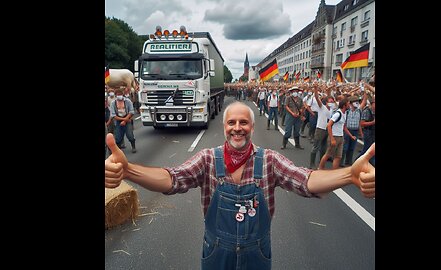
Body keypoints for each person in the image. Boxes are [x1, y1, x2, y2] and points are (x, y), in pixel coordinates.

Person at [105, 101, 375, 270]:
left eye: (243, 122)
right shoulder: (208, 159)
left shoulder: (269, 160)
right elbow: (172, 179)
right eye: (231, 122)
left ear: (251, 127)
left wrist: (349, 174)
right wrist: (128, 170)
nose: (237, 128)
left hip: (256, 255)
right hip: (216, 254)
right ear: (224, 127)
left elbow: (306, 180)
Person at [109, 89, 137, 153]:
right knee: (118, 137)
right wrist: (124, 120)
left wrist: (125, 120)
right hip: (119, 120)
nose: (119, 96)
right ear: (115, 95)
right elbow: (113, 115)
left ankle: (133, 147)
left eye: (120, 94)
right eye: (118, 95)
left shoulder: (128, 101)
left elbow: (131, 111)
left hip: (127, 118)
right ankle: (117, 150)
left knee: (130, 135)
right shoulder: (113, 103)